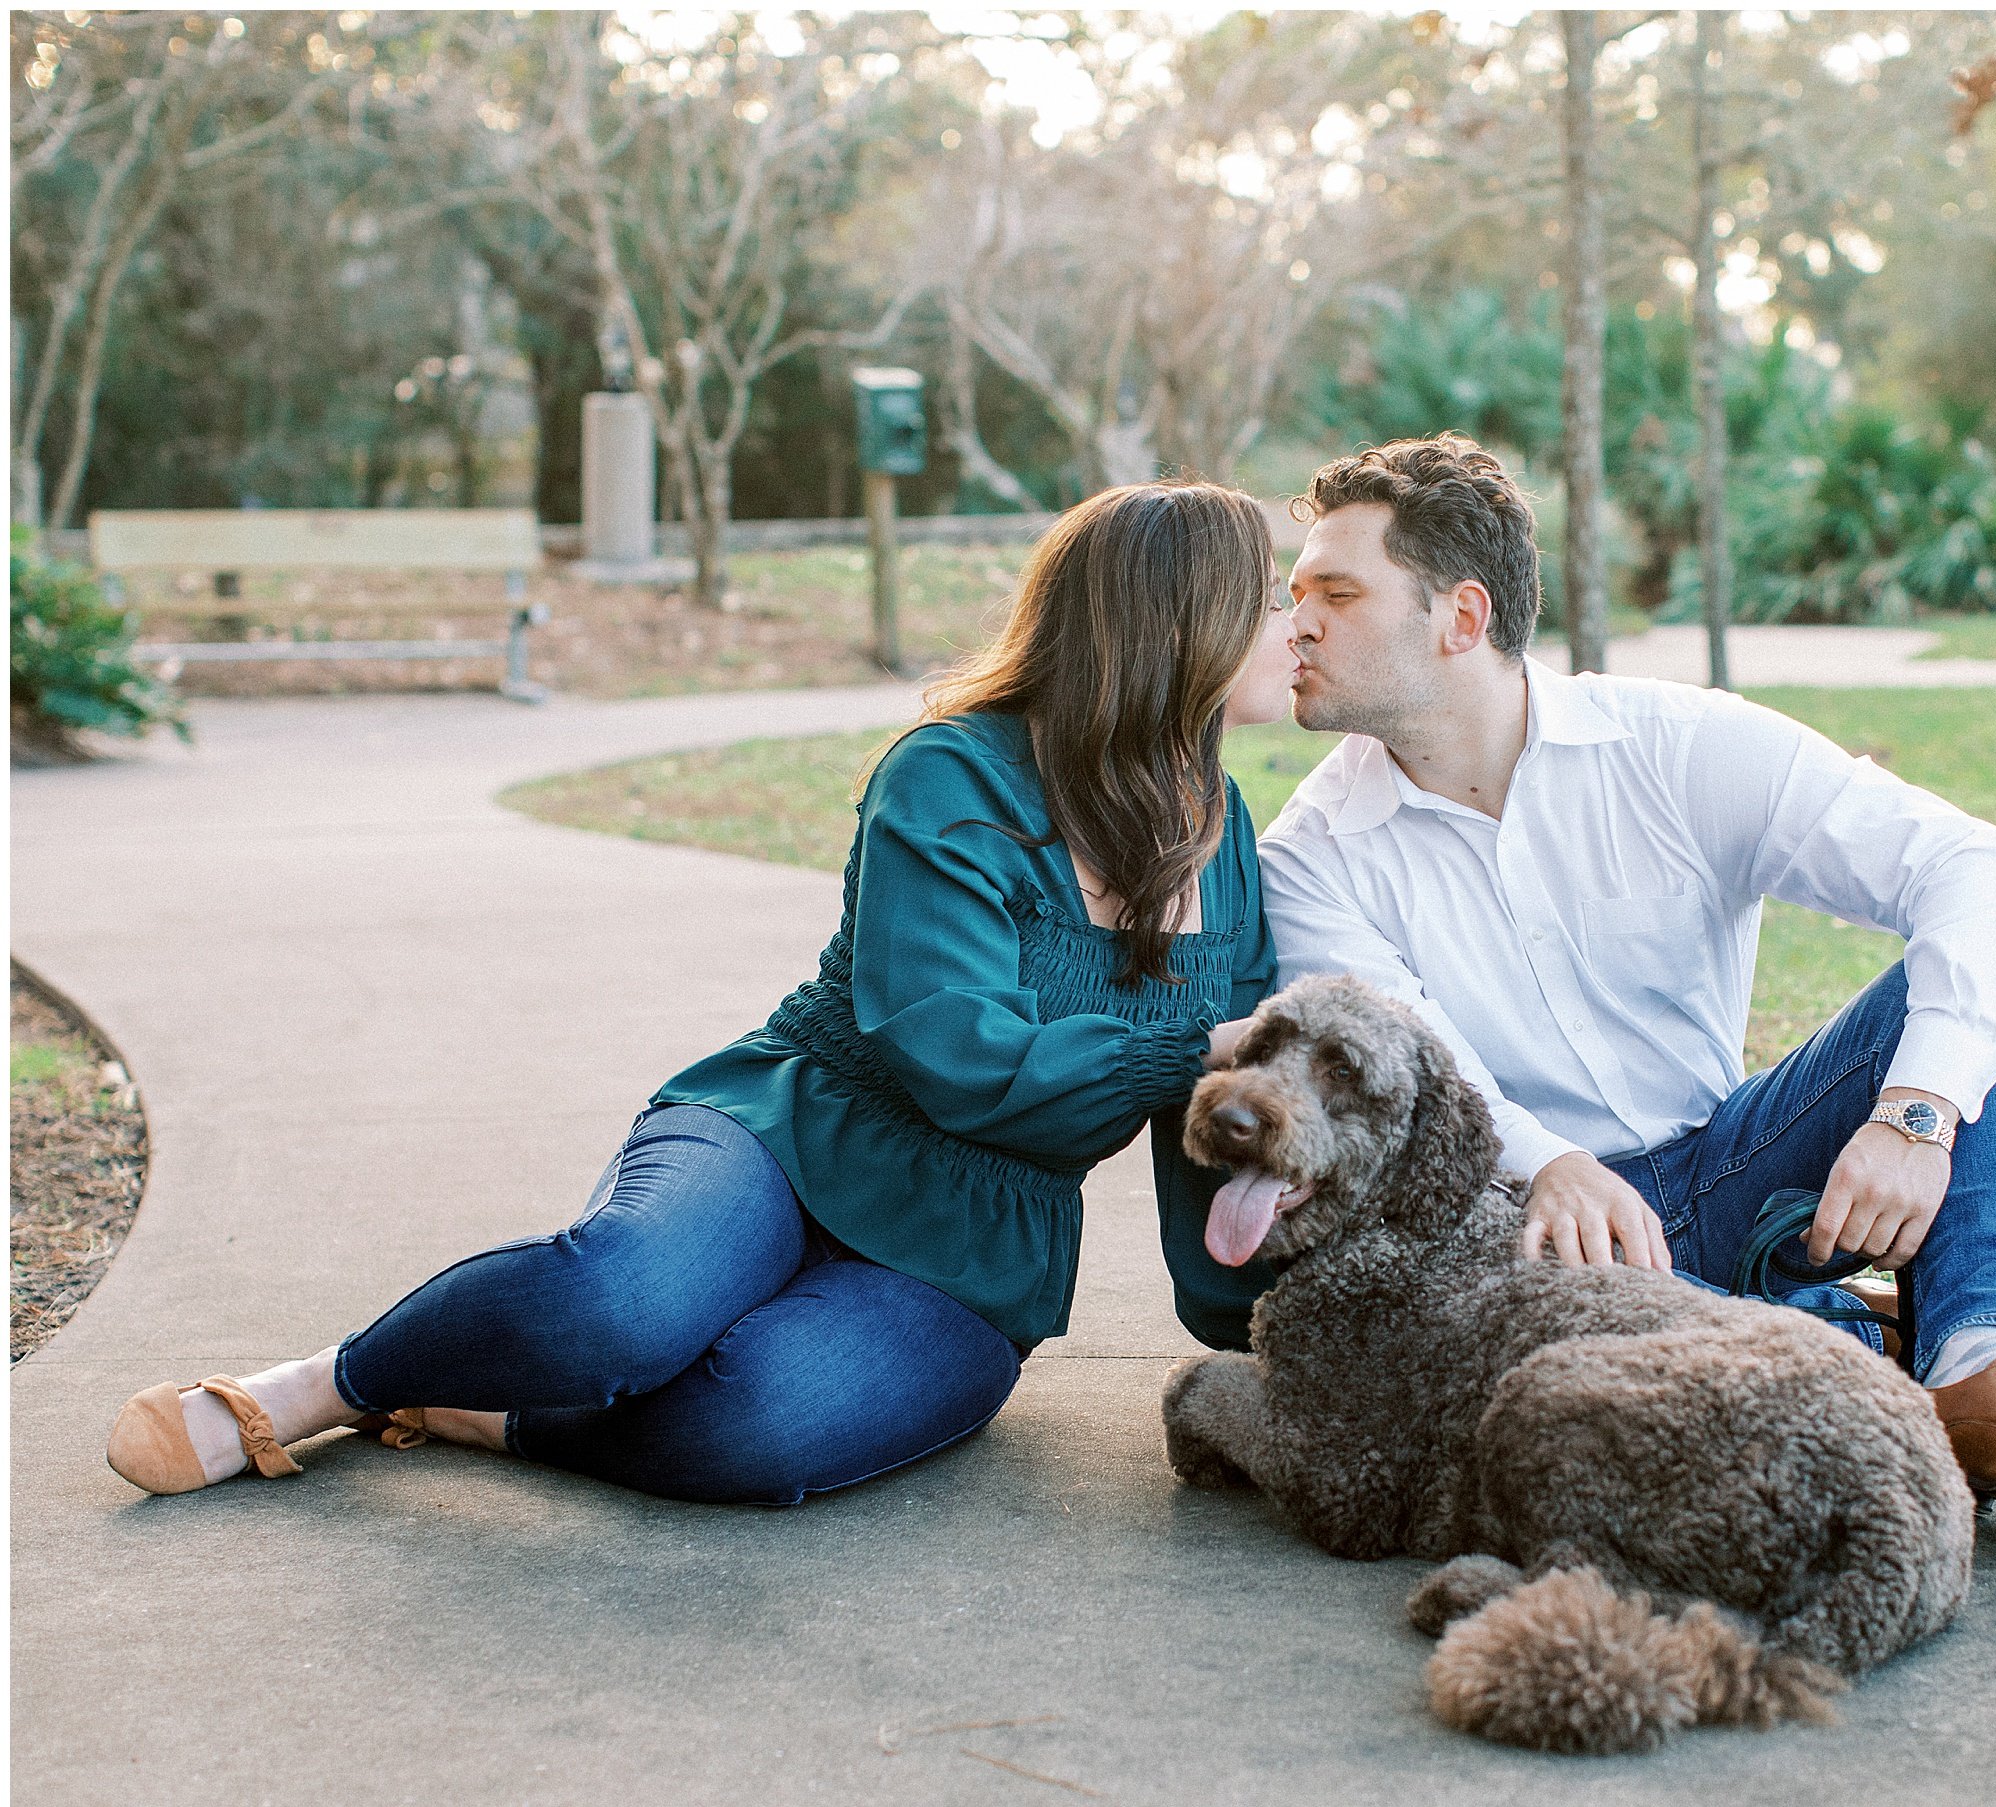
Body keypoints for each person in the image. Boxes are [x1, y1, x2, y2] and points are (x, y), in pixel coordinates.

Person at [105, 482, 1301, 1506]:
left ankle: (488, 1412)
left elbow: (1221, 1129)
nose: (1292, 624)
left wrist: (1267, 1323)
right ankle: (329, 1383)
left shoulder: (1231, 840)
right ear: (1176, 628)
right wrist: (1191, 1052)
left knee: (756, 1426)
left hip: (974, 1251)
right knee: (619, 1305)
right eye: (1269, 599)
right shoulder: (952, 776)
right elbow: (952, 1046)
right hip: (795, 1132)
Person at [1258, 434, 1996, 1525]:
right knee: (1583, 1361)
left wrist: (1915, 1117)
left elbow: (1974, 873)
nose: (1295, 624)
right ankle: (1846, 1350)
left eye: (1335, 592)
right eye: (1294, 594)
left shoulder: (1674, 745)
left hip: (1727, 1158)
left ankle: (1977, 1376)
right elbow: (1411, 1067)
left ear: (1461, 618)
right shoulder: (1311, 851)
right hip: (1533, 1241)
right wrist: (1549, 1163)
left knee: (1940, 1013)